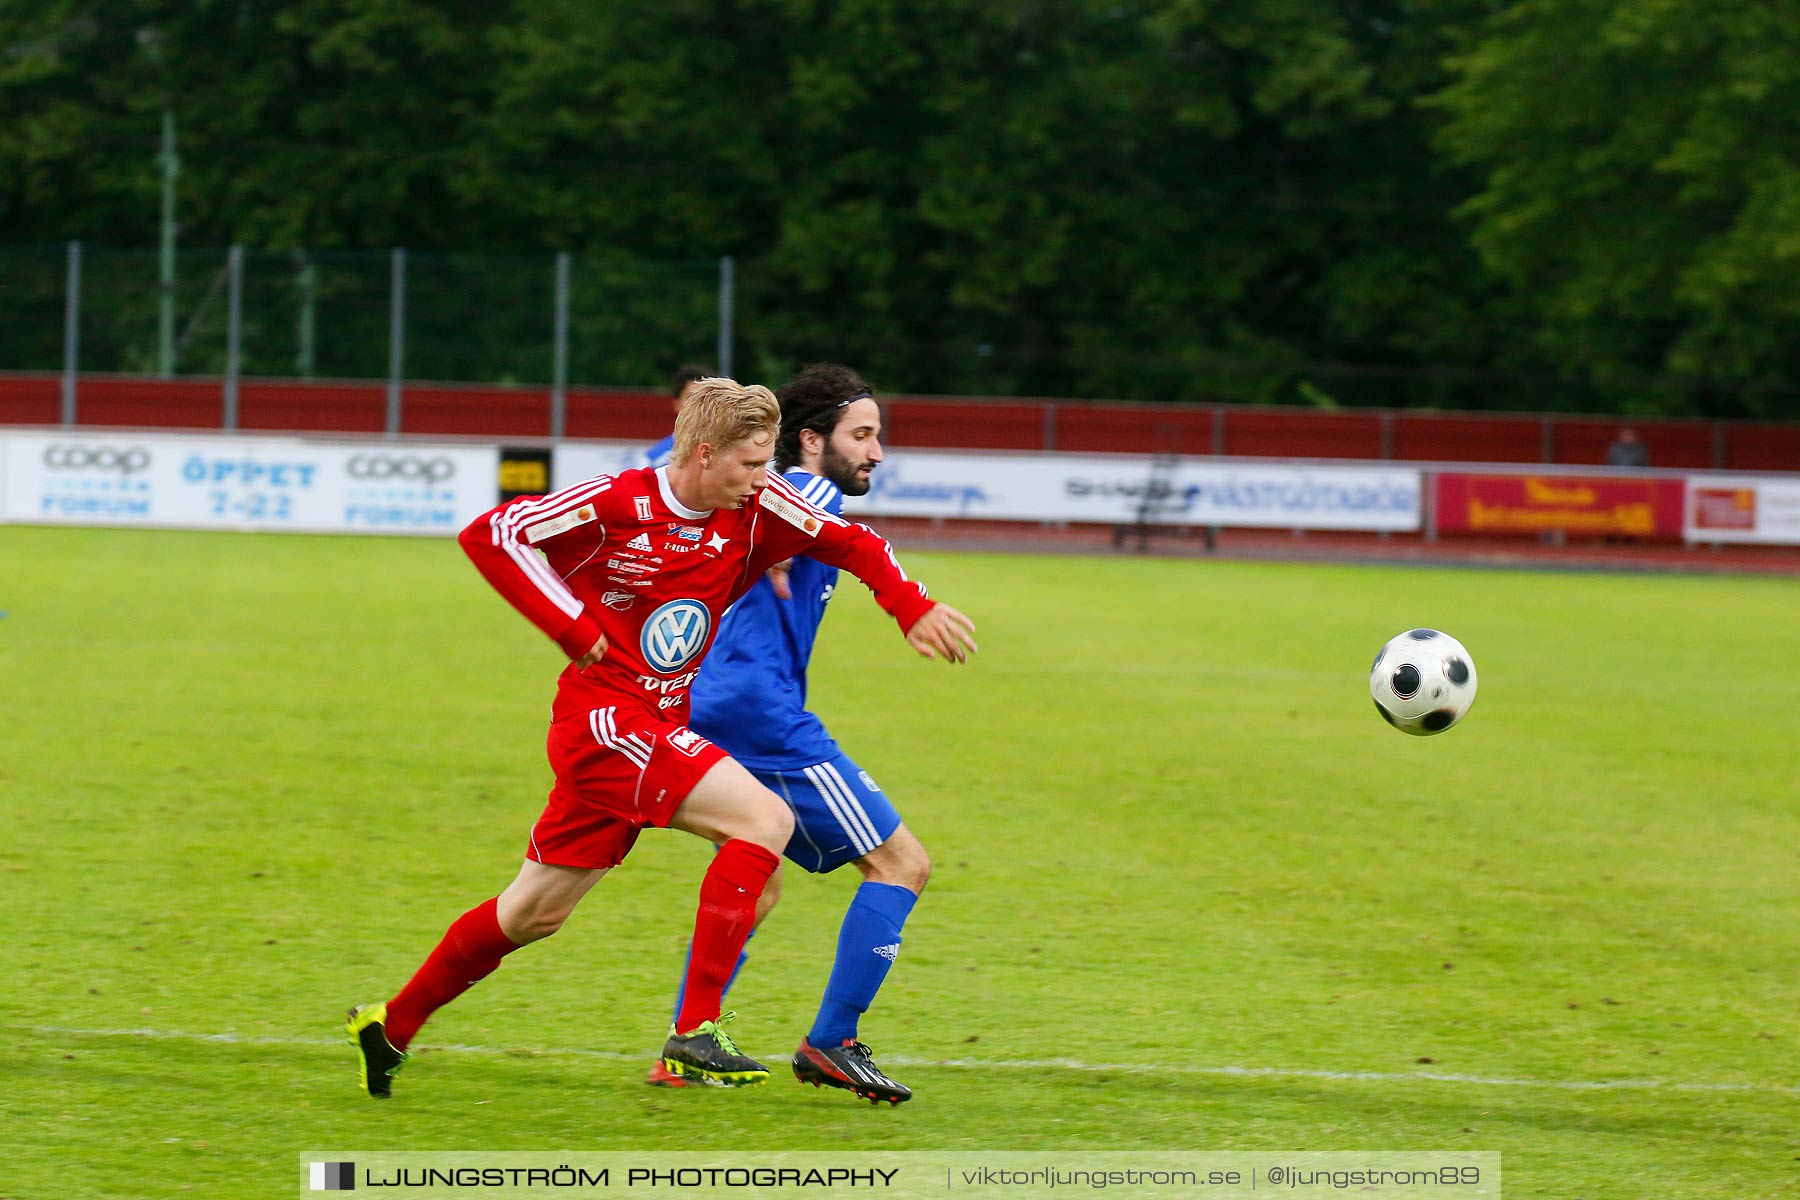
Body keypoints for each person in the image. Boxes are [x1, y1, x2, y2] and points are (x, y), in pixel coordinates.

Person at [346, 377, 977, 1097]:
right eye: (750, 463)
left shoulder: (756, 505)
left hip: (657, 724)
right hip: (603, 723)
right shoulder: (617, 500)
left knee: (533, 913)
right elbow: (493, 533)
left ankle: (389, 1024)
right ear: (704, 454)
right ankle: (694, 1035)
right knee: (763, 821)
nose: (764, 480)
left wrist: (909, 605)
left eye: (769, 462)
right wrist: (572, 627)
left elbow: (853, 542)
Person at [641, 364, 926, 1105]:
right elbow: (795, 500)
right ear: (811, 439)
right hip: (759, 713)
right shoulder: (808, 489)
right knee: (901, 864)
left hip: (707, 700)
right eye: (861, 435)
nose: (875, 452)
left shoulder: (759, 496)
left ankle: (685, 1045)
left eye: (878, 436)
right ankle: (832, 1042)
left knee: (758, 875)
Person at [643, 364, 712, 468]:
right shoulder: (654, 460)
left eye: (704, 398)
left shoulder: (726, 453)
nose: (698, 404)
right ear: (677, 404)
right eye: (691, 397)